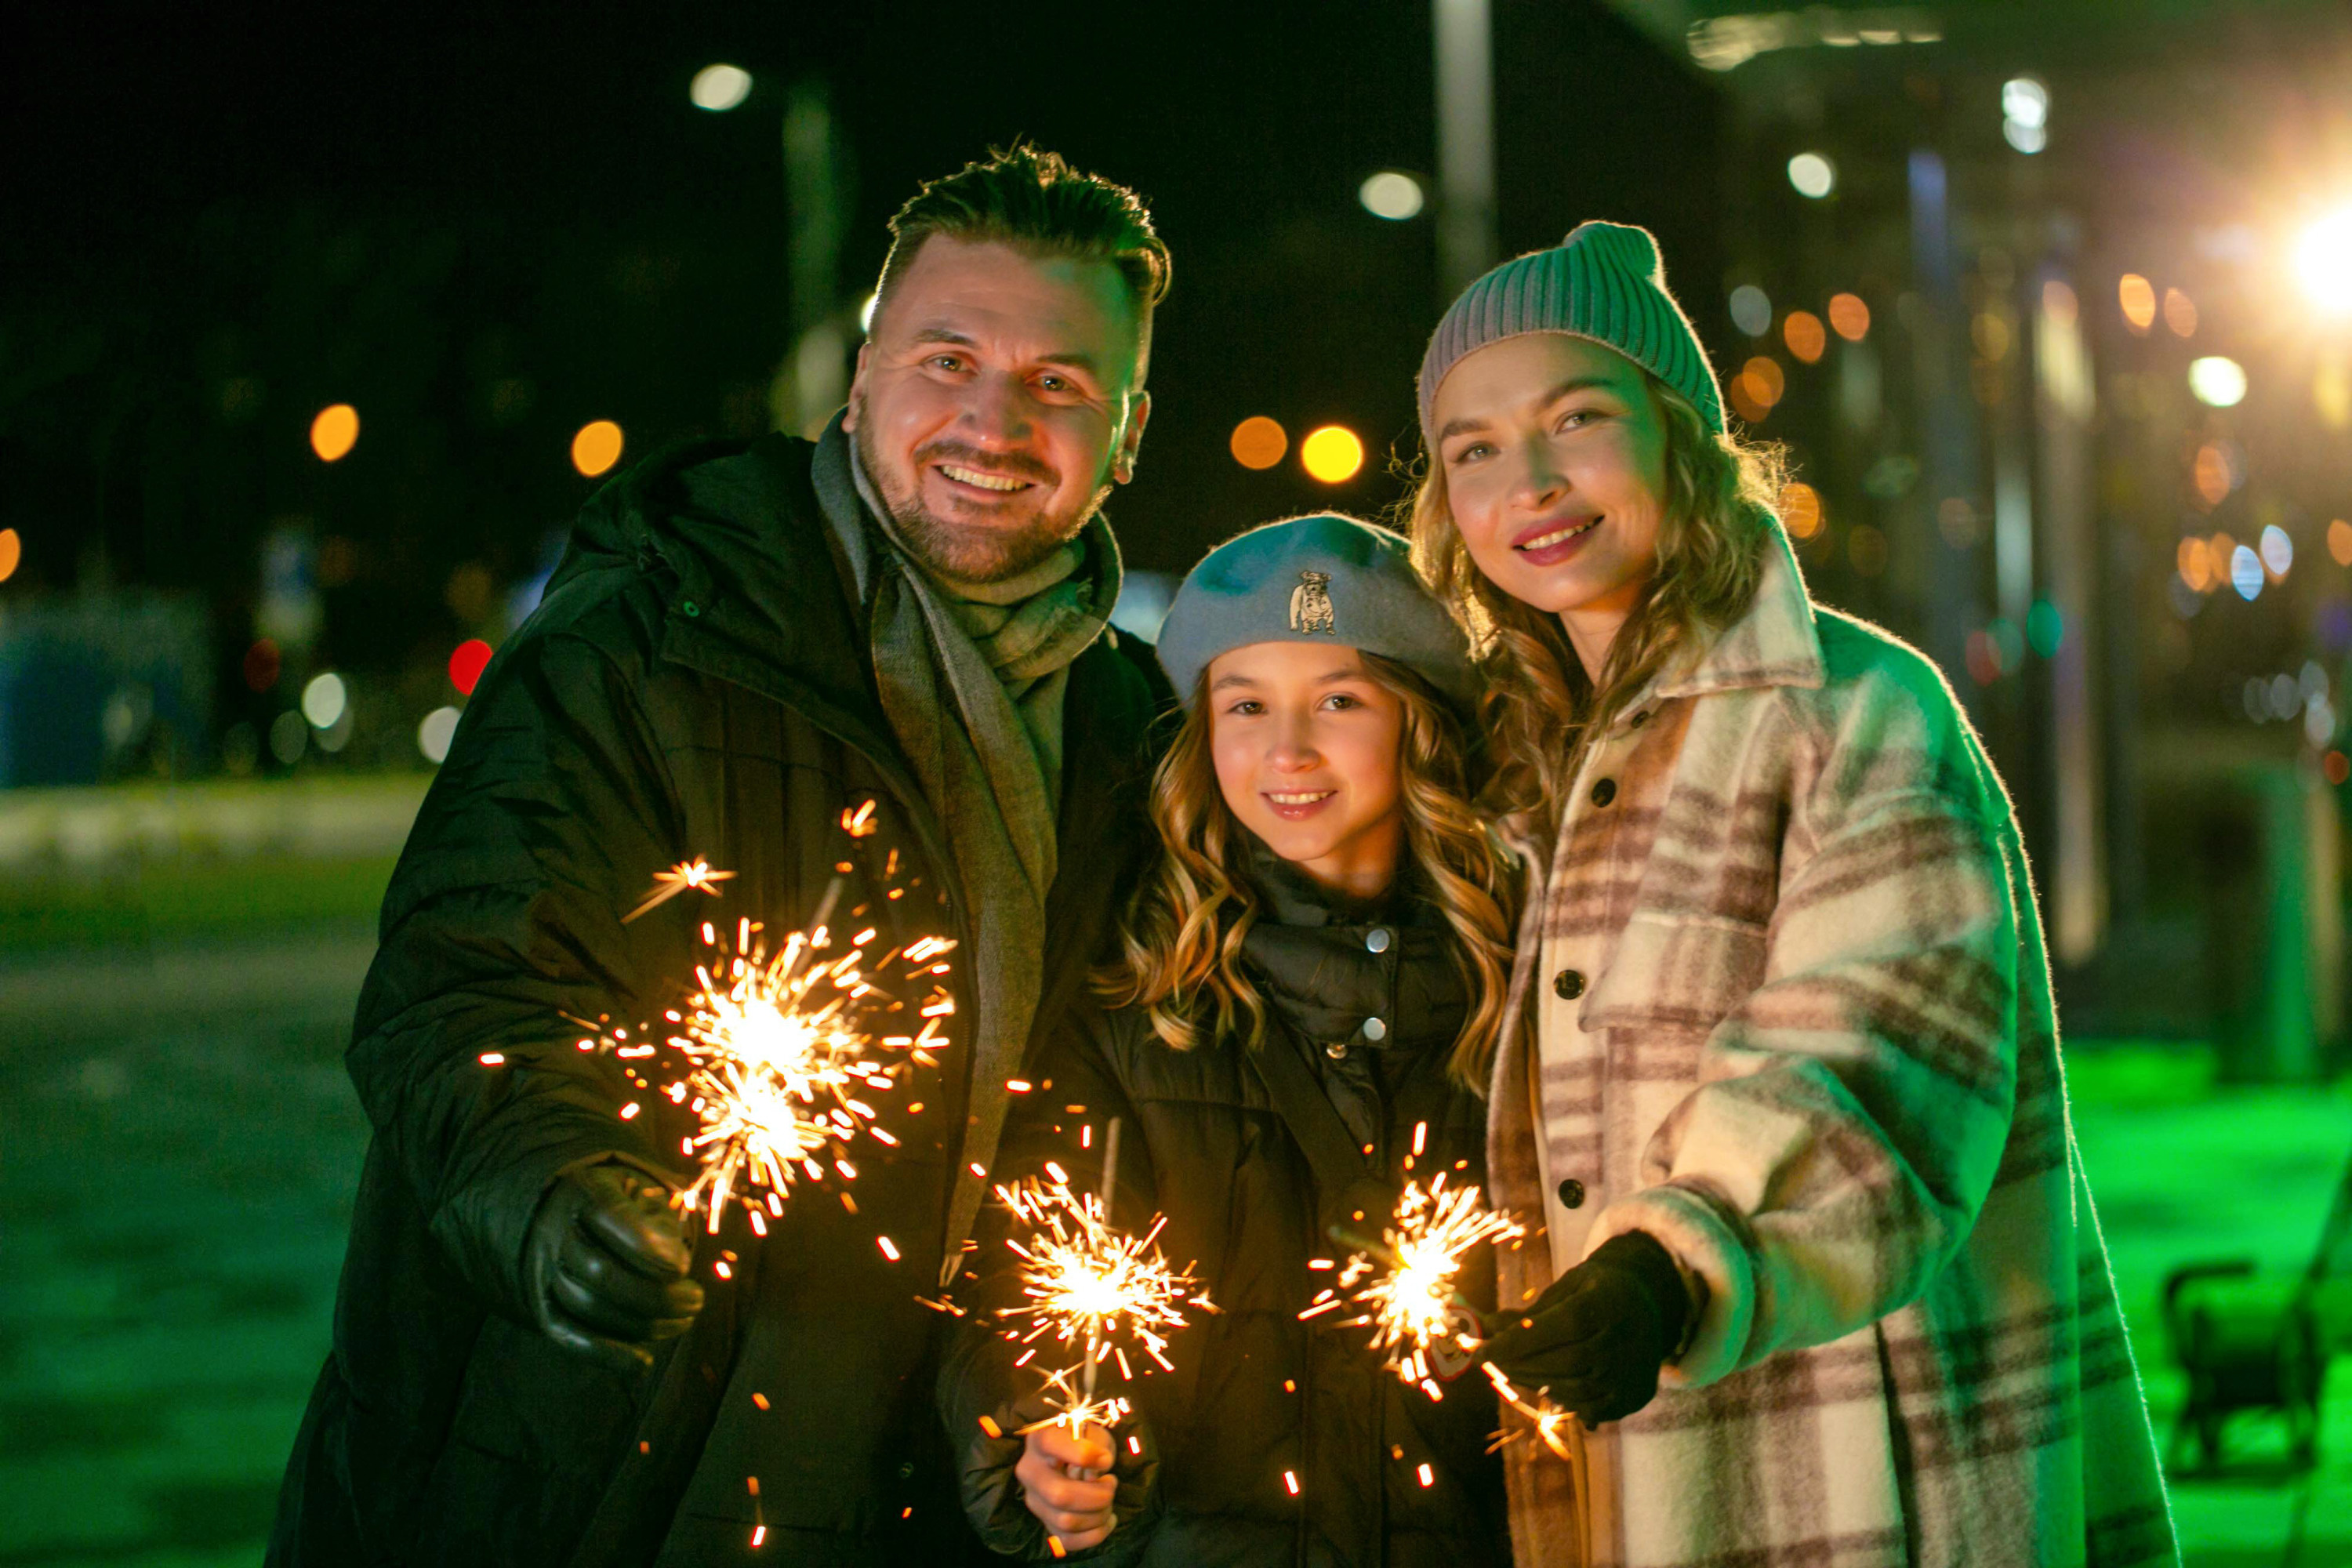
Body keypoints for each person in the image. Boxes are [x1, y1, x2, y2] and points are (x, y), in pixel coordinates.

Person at [269, 144, 1175, 1566]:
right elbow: (462, 987)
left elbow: (1088, 1128)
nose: (993, 420)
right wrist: (561, 1201)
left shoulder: (1140, 731)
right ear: (862, 378)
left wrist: (1024, 1393)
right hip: (567, 1467)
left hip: (901, 1498)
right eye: (948, 359)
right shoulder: (647, 635)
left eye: (1060, 382)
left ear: (1125, 435)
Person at [1407, 222, 2179, 1566]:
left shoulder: (1855, 710)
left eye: (1576, 418)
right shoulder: (1502, 762)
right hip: (1610, 1482)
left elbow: (1882, 1039)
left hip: (1865, 1469)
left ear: (1678, 438)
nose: (1528, 480)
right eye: (1473, 447)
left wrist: (1672, 1262)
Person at [941, 514, 1522, 1566]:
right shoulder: (1137, 1004)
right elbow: (1028, 1283)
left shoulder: (1527, 991)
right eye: (1245, 704)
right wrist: (1044, 1432)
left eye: (1339, 700)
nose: (1287, 749)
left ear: (1421, 722)